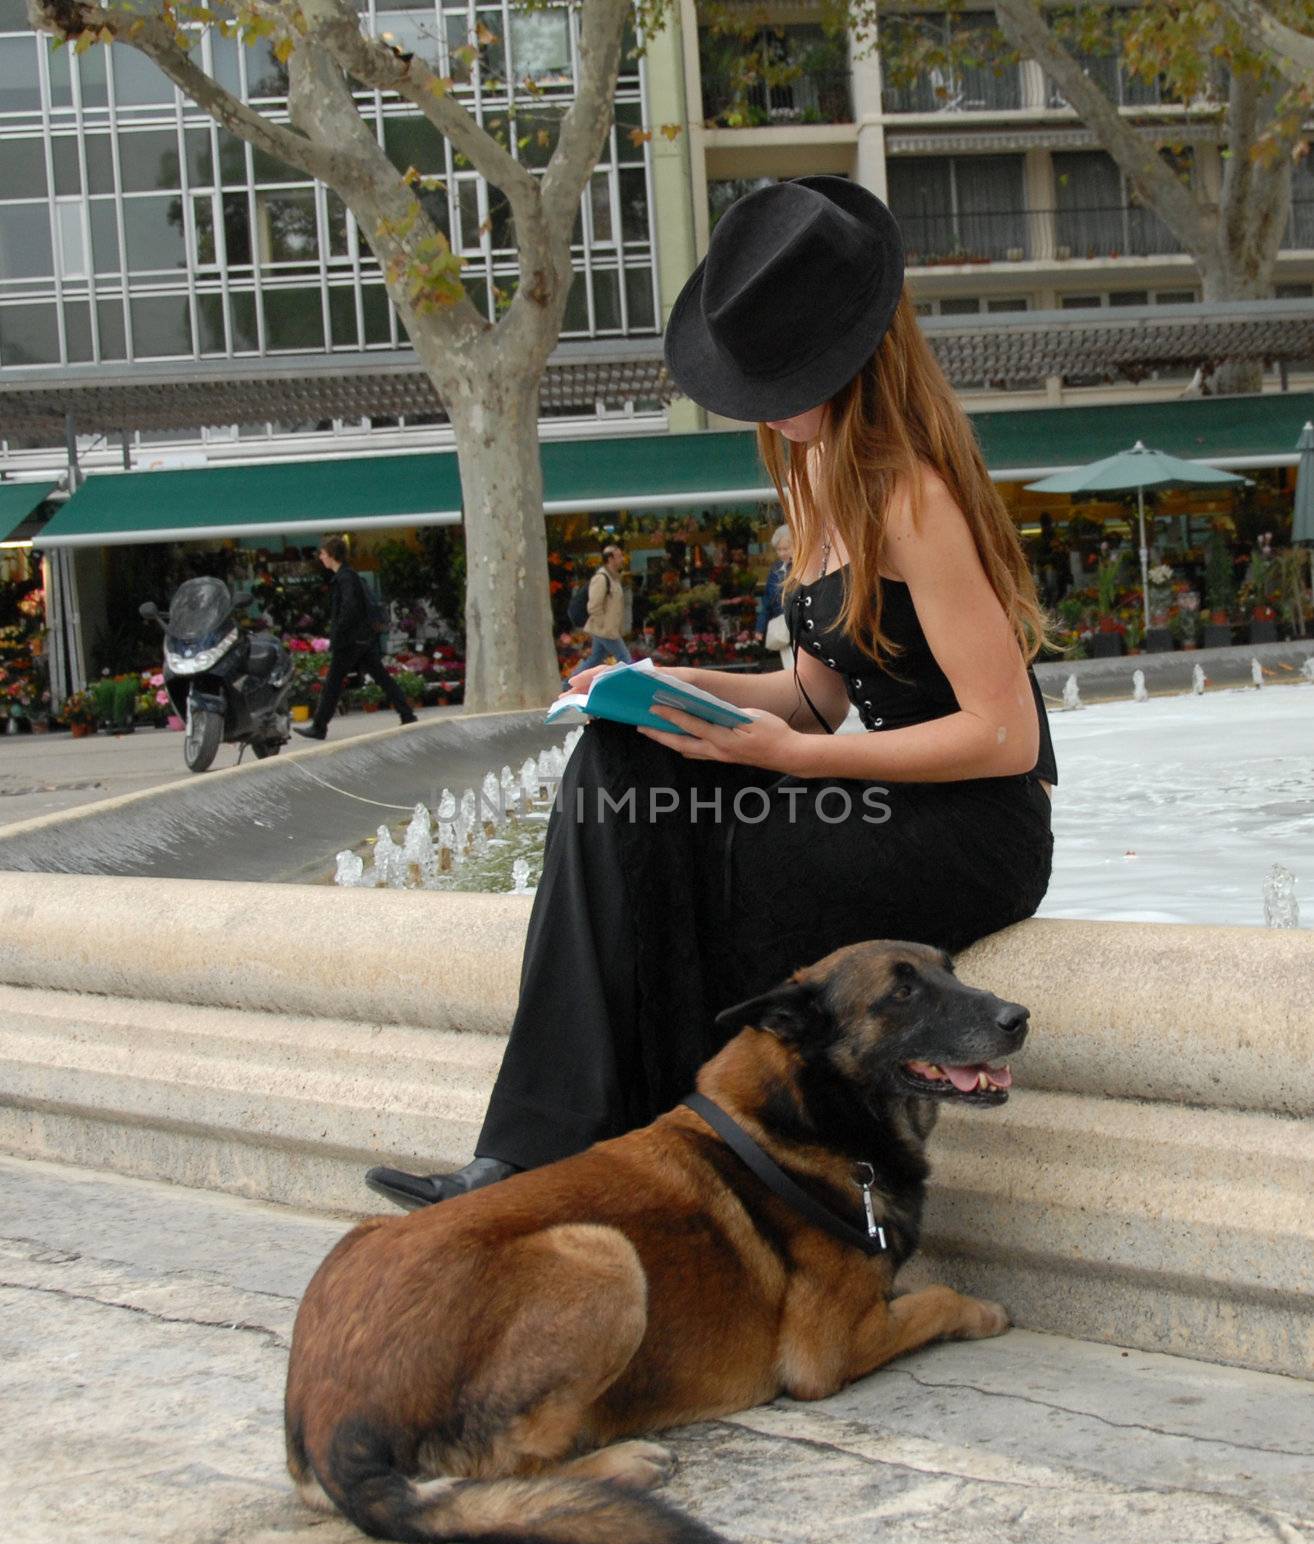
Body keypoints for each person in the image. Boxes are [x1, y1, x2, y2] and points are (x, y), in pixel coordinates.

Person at [367, 176, 1056, 1210]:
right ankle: (538, 1152)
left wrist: (798, 762)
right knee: (619, 763)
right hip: (878, 796)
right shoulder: (814, 474)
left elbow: (1004, 735)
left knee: (704, 851)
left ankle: (647, 1168)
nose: (763, 399)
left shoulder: (911, 493)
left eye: (785, 372)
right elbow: (816, 694)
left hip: (970, 829)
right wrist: (669, 683)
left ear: (853, 355)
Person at [294, 534, 416, 739]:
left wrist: (338, 633)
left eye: (322, 554)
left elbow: (349, 608)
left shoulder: (345, 578)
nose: (320, 558)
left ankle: (319, 726)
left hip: (350, 641)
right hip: (361, 640)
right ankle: (407, 714)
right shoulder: (347, 576)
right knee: (382, 677)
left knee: (333, 683)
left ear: (332, 555)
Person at [577, 544, 631, 673]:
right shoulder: (601, 578)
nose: (622, 559)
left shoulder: (614, 578)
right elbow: (594, 605)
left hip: (607, 628)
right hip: (606, 630)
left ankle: (568, 684)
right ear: (610, 559)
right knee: (625, 659)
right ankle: (636, 686)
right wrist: (602, 625)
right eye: (619, 556)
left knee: (594, 659)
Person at [755, 524, 794, 670]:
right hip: (782, 627)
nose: (782, 553)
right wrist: (760, 627)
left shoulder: (803, 566)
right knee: (789, 667)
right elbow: (767, 602)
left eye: (786, 548)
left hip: (801, 628)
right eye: (779, 549)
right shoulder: (776, 570)